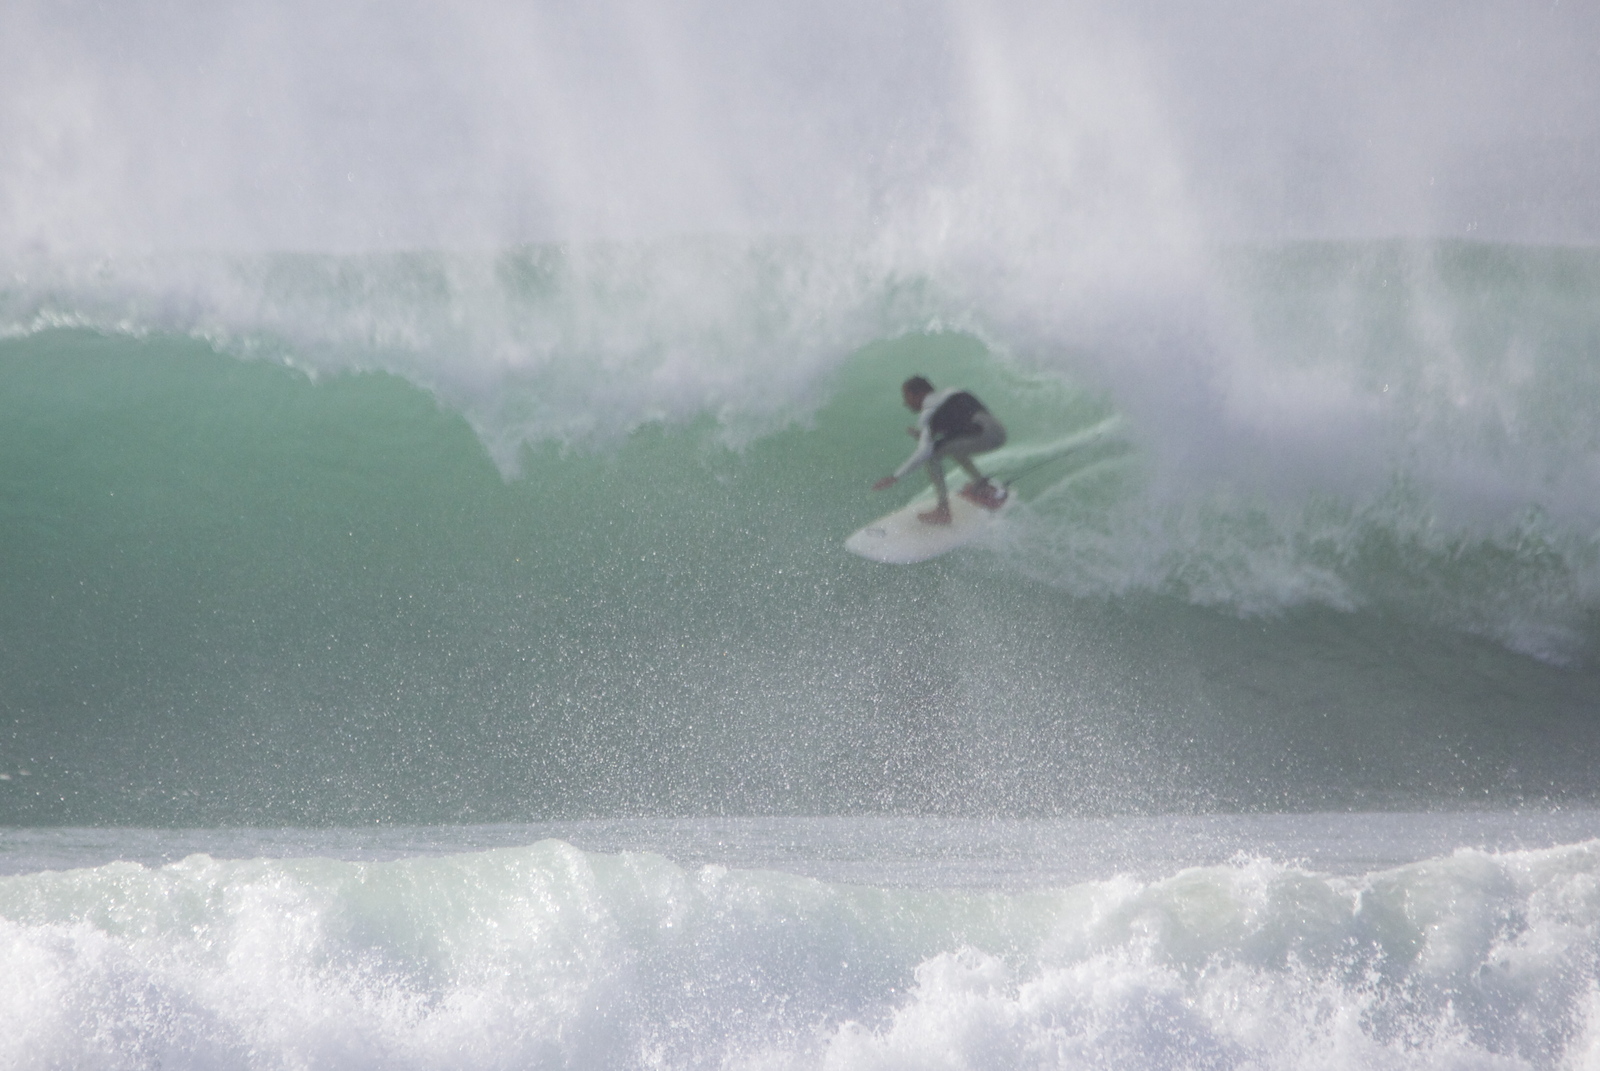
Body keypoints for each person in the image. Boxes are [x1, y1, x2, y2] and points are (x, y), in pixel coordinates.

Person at [872, 376, 1007, 525]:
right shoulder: (953, 392)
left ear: (920, 394)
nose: (905, 402)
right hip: (998, 432)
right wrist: (927, 436)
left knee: (932, 456)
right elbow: (960, 427)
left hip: (984, 435)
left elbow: (924, 453)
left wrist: (895, 476)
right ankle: (982, 484)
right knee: (948, 446)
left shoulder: (928, 414)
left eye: (907, 396)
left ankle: (943, 511)